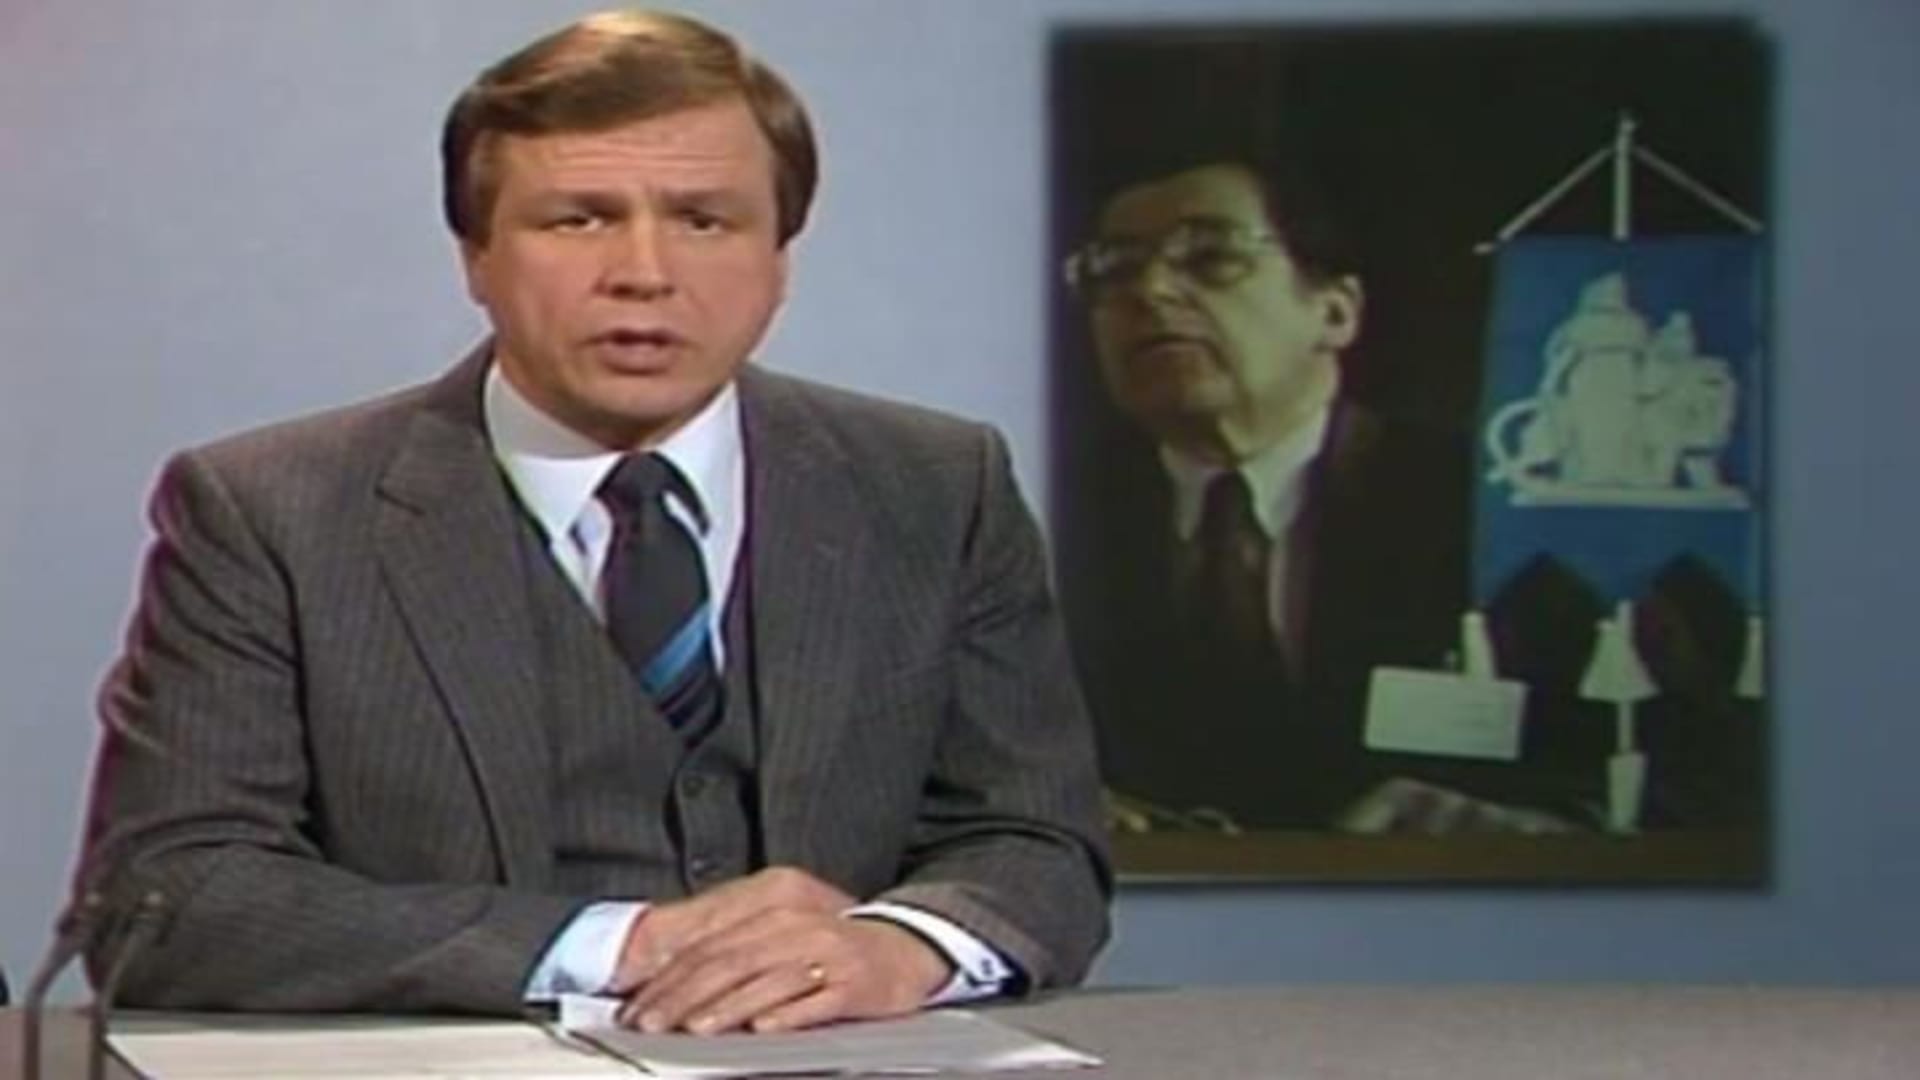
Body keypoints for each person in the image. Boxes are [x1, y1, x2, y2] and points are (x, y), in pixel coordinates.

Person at [73, 9, 1109, 1034]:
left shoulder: (935, 486)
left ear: (779, 260)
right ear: (476, 256)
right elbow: (165, 897)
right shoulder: (272, 510)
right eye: (578, 219)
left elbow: (1039, 845)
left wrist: (900, 946)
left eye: (704, 220)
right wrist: (624, 945)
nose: (644, 274)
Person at [1056, 148, 1508, 832]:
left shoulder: (1481, 505)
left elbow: (1656, 765)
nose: (1149, 291)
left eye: (1211, 257)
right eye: (1114, 268)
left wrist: (1522, 823)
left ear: (1336, 312)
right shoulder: (1031, 516)